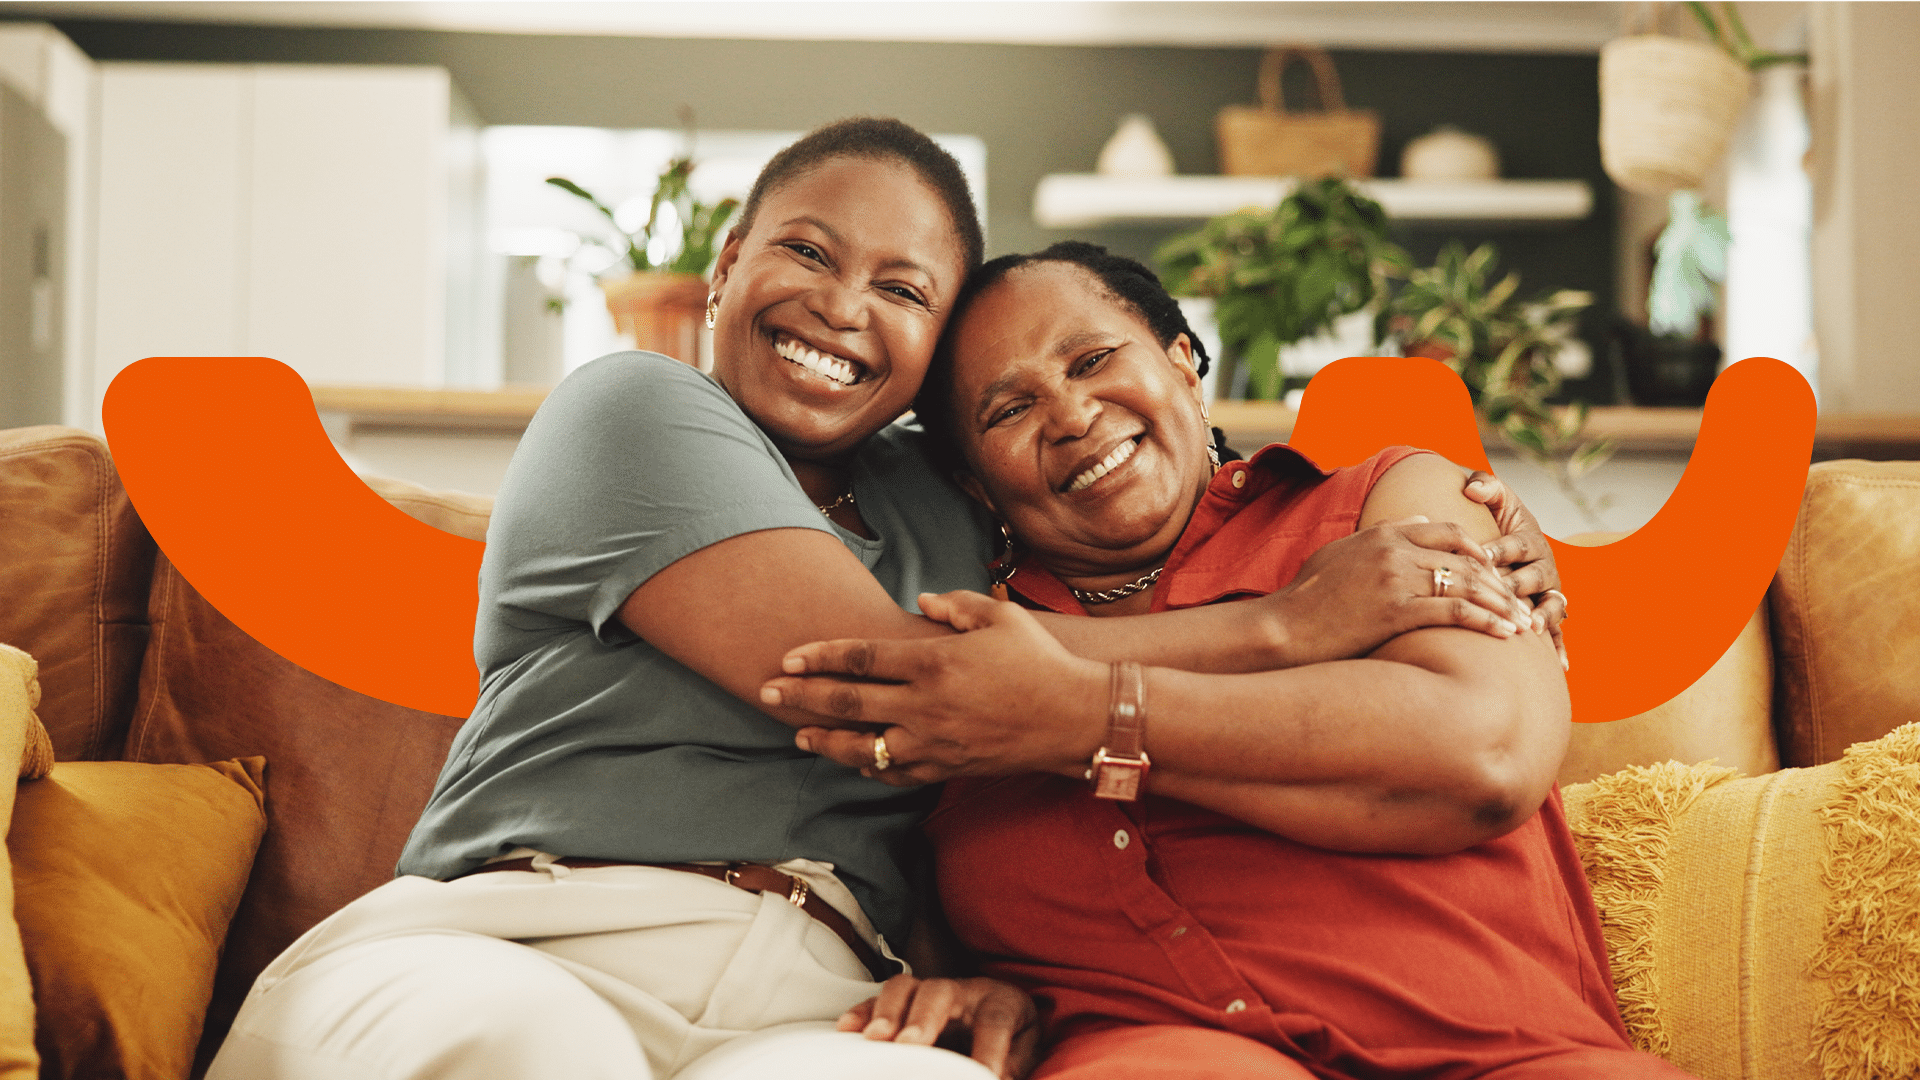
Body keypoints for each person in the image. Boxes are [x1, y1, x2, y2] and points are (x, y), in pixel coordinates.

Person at [209, 123, 1563, 1080]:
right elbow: (898, 687)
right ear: (728, 263)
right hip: (534, 929)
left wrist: (1495, 529)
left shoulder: (956, 502)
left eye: (904, 290)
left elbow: (1108, 491)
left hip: (821, 998)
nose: (843, 308)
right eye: (806, 253)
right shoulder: (631, 411)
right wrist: (1295, 622)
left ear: (923, 371)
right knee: (531, 1053)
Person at [761, 243, 1693, 1079]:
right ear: (972, 477)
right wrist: (974, 992)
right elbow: (932, 900)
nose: (1073, 414)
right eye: (1010, 408)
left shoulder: (1388, 504)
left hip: (1502, 1054)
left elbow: (1485, 755)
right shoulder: (965, 656)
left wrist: (1084, 716)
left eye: (1093, 360)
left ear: (1183, 361)